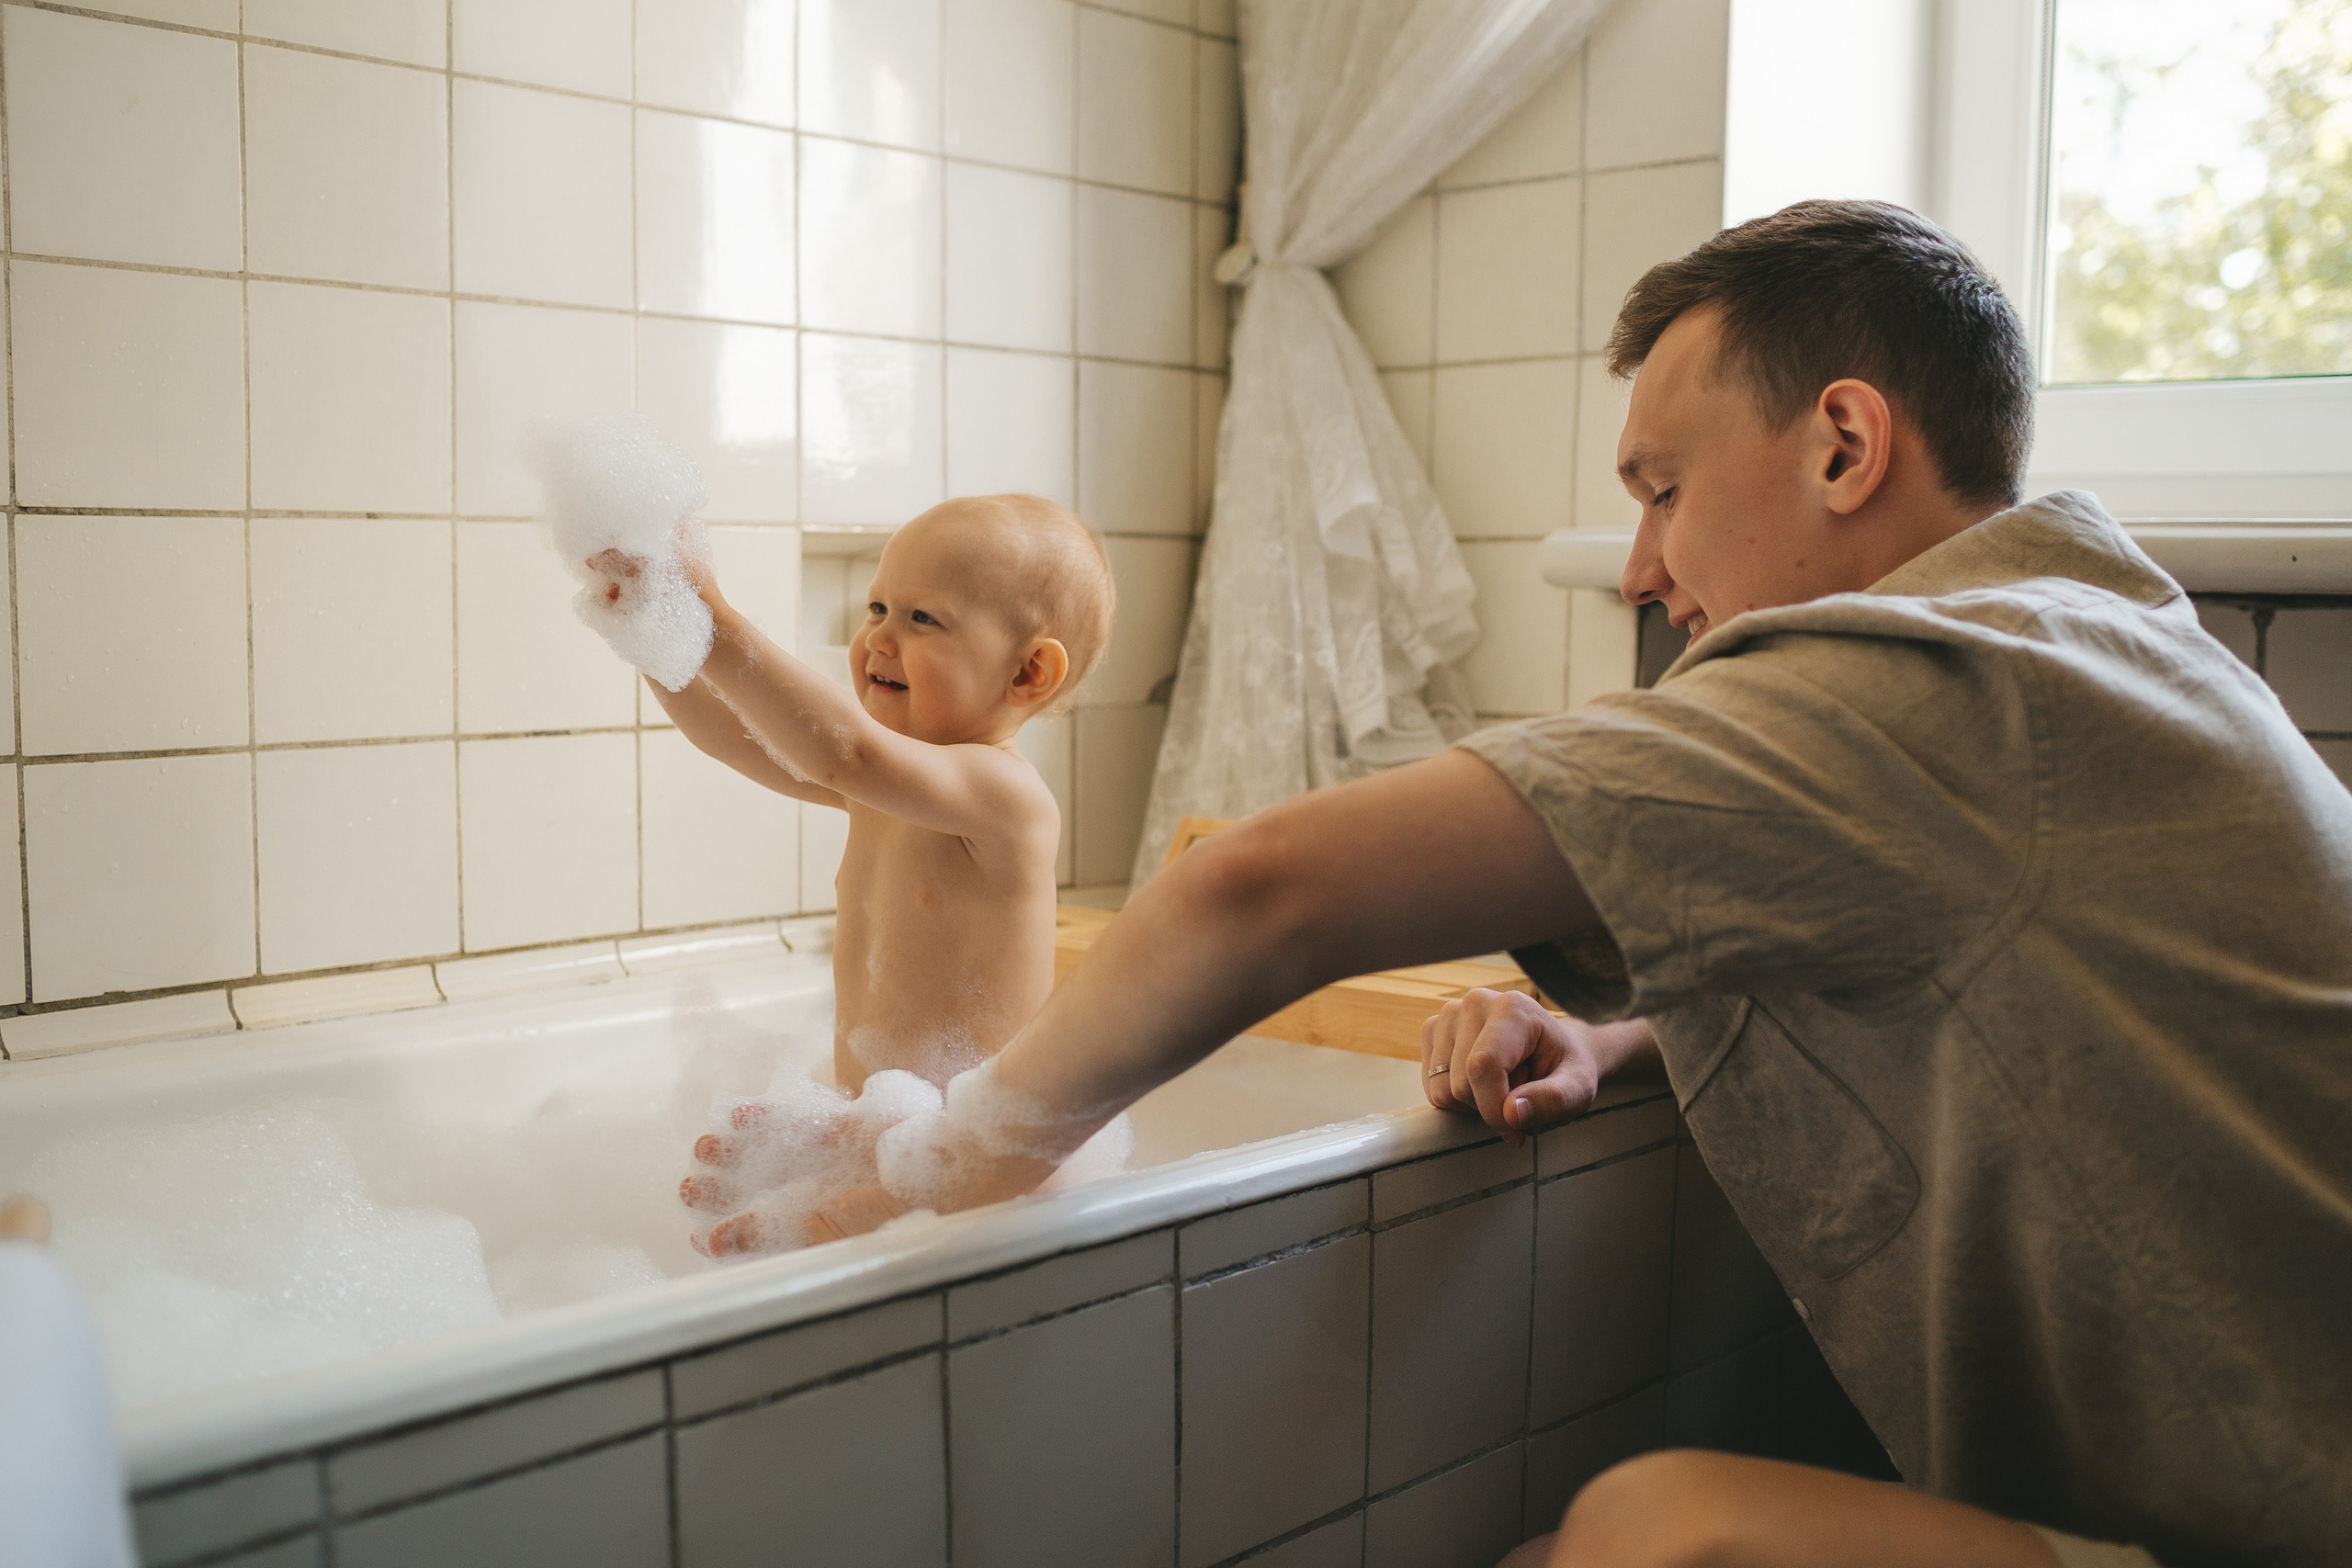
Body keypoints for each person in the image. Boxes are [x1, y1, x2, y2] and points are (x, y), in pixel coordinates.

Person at [811, 202, 2352, 1566]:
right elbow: (1997, 997)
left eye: (1663, 487)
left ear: (1843, 445)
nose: (1638, 567)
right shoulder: (2108, 645)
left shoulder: (1941, 679)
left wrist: (960, 1155)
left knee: (1650, 1534)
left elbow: (1263, 889)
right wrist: (1623, 1033)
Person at [594, 492, 1115, 1258]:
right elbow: (735, 737)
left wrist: (714, 617)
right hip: (887, 1127)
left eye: (922, 619)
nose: (878, 637)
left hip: (982, 1160)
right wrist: (654, 634)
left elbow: (842, 751)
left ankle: (857, 1224)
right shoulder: (889, 781)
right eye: (877, 606)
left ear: (1030, 671)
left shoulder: (1003, 799)